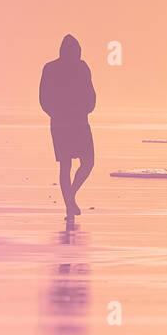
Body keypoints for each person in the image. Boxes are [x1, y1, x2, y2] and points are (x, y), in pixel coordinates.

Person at [39, 35, 96, 220]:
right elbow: (44, 98)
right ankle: (69, 205)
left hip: (78, 122)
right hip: (63, 123)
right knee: (67, 165)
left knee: (87, 162)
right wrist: (57, 114)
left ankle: (70, 197)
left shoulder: (82, 67)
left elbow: (91, 94)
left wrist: (86, 109)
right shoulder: (51, 69)